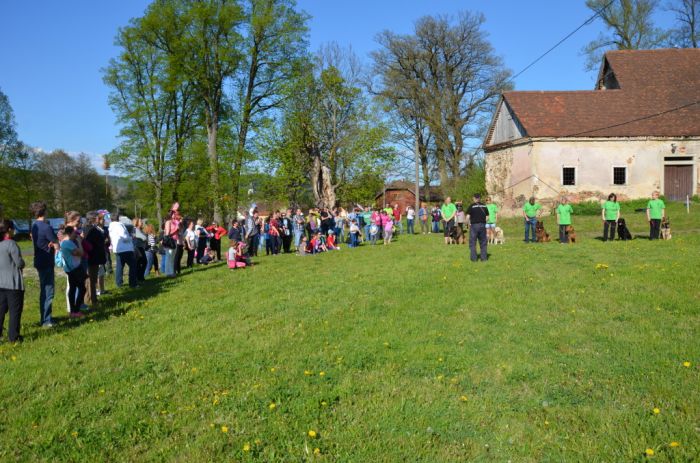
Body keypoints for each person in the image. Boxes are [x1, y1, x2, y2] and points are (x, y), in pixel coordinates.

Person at [30, 201, 58, 328]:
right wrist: (54, 244)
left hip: (39, 260)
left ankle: (45, 317)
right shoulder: (46, 227)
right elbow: (56, 243)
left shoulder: (34, 225)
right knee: (48, 291)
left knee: (44, 290)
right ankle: (46, 320)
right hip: (46, 260)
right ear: (44, 212)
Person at [0, 220, 25, 343]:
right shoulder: (11, 244)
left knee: (0, 311)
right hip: (13, 283)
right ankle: (13, 337)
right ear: (9, 229)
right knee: (15, 311)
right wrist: (23, 263)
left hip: (0, 282)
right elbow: (19, 263)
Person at [60, 226, 86, 318]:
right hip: (74, 269)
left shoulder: (65, 242)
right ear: (70, 233)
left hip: (70, 269)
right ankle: (75, 310)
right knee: (82, 289)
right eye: (75, 233)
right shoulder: (68, 243)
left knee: (73, 289)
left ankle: (73, 311)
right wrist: (79, 242)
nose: (76, 234)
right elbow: (81, 253)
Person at [108, 210, 138, 287]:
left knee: (120, 266)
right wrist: (130, 238)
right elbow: (124, 236)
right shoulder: (119, 225)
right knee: (133, 265)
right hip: (125, 248)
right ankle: (133, 283)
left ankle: (119, 283)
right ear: (118, 218)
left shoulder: (111, 226)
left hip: (117, 249)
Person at [84, 212, 107, 306]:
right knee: (91, 280)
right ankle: (92, 301)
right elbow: (90, 244)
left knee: (92, 280)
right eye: (97, 217)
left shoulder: (93, 228)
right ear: (93, 218)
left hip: (95, 257)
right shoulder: (90, 229)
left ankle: (91, 299)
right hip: (92, 257)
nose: (99, 219)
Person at [466, 193, 489, 262]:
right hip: (482, 225)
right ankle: (484, 258)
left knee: (473, 242)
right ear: (479, 198)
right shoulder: (484, 206)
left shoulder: (472, 206)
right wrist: (484, 222)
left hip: (474, 226)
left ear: (474, 198)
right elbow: (487, 217)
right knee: (483, 242)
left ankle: (474, 259)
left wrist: (467, 224)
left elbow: (467, 217)